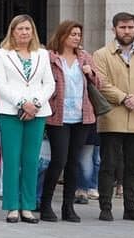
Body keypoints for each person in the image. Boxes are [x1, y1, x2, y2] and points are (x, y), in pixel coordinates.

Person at [0, 14, 54, 224]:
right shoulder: (2, 54)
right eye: (20, 29)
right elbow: (0, 85)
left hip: (37, 112)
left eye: (28, 29)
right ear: (13, 31)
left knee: (31, 159)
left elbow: (49, 84)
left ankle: (27, 206)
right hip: (10, 112)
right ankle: (12, 206)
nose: (24, 32)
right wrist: (22, 103)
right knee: (12, 159)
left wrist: (35, 104)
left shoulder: (42, 55)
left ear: (33, 31)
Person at [91, 12, 134, 221]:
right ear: (114, 29)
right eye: (122, 27)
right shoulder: (101, 55)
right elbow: (101, 83)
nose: (126, 31)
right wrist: (124, 98)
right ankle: (105, 207)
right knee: (108, 164)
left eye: (130, 27)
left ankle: (131, 207)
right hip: (112, 117)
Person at [42, 20, 100, 223]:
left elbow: (99, 82)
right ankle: (46, 204)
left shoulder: (85, 57)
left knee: (73, 162)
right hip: (58, 116)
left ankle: (68, 207)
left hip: (82, 116)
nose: (76, 37)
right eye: (73, 34)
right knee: (59, 160)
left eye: (78, 34)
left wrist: (90, 73)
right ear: (63, 35)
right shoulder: (50, 57)